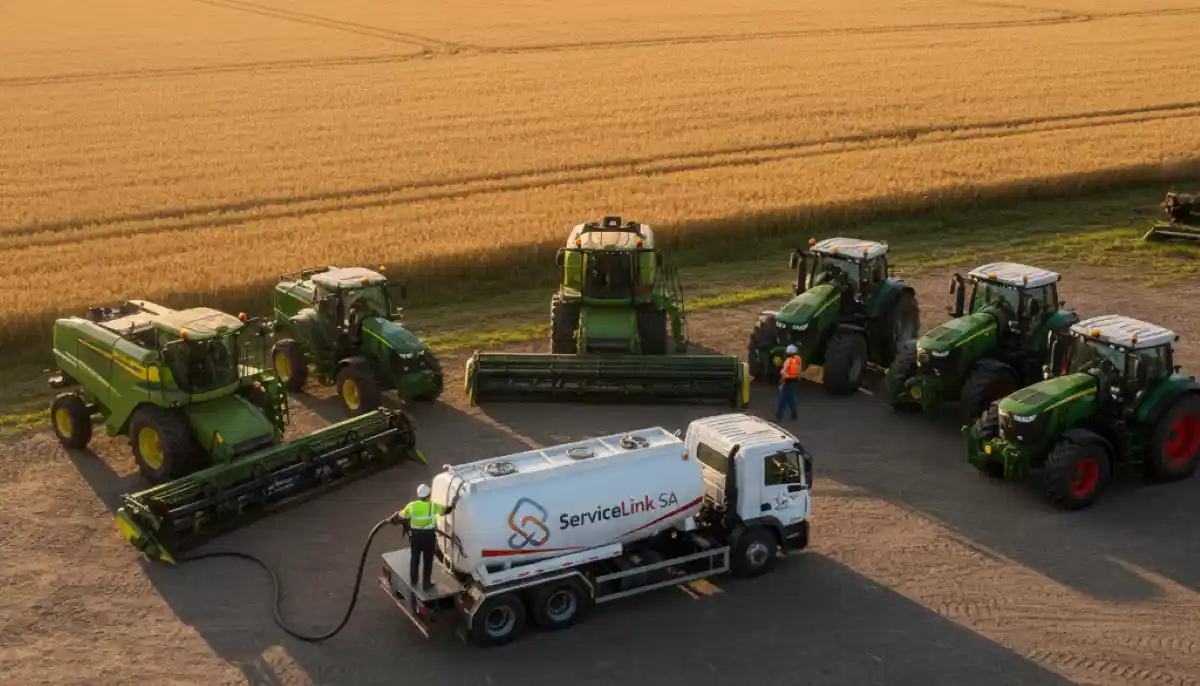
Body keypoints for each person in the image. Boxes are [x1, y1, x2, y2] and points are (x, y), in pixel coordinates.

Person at [398, 484, 455, 591]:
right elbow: (445, 511)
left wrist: (395, 517)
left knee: (414, 559)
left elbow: (401, 515)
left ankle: (414, 581)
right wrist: (453, 504)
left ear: (418, 495)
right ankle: (426, 584)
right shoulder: (432, 506)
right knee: (428, 560)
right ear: (429, 495)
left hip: (415, 537)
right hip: (429, 537)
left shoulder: (412, 505)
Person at [776, 344, 801, 421]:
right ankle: (794, 414)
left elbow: (784, 373)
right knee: (790, 398)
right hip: (794, 381)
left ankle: (778, 415)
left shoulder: (787, 361)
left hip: (787, 382)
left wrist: (780, 382)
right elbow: (799, 371)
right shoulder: (798, 360)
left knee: (782, 399)